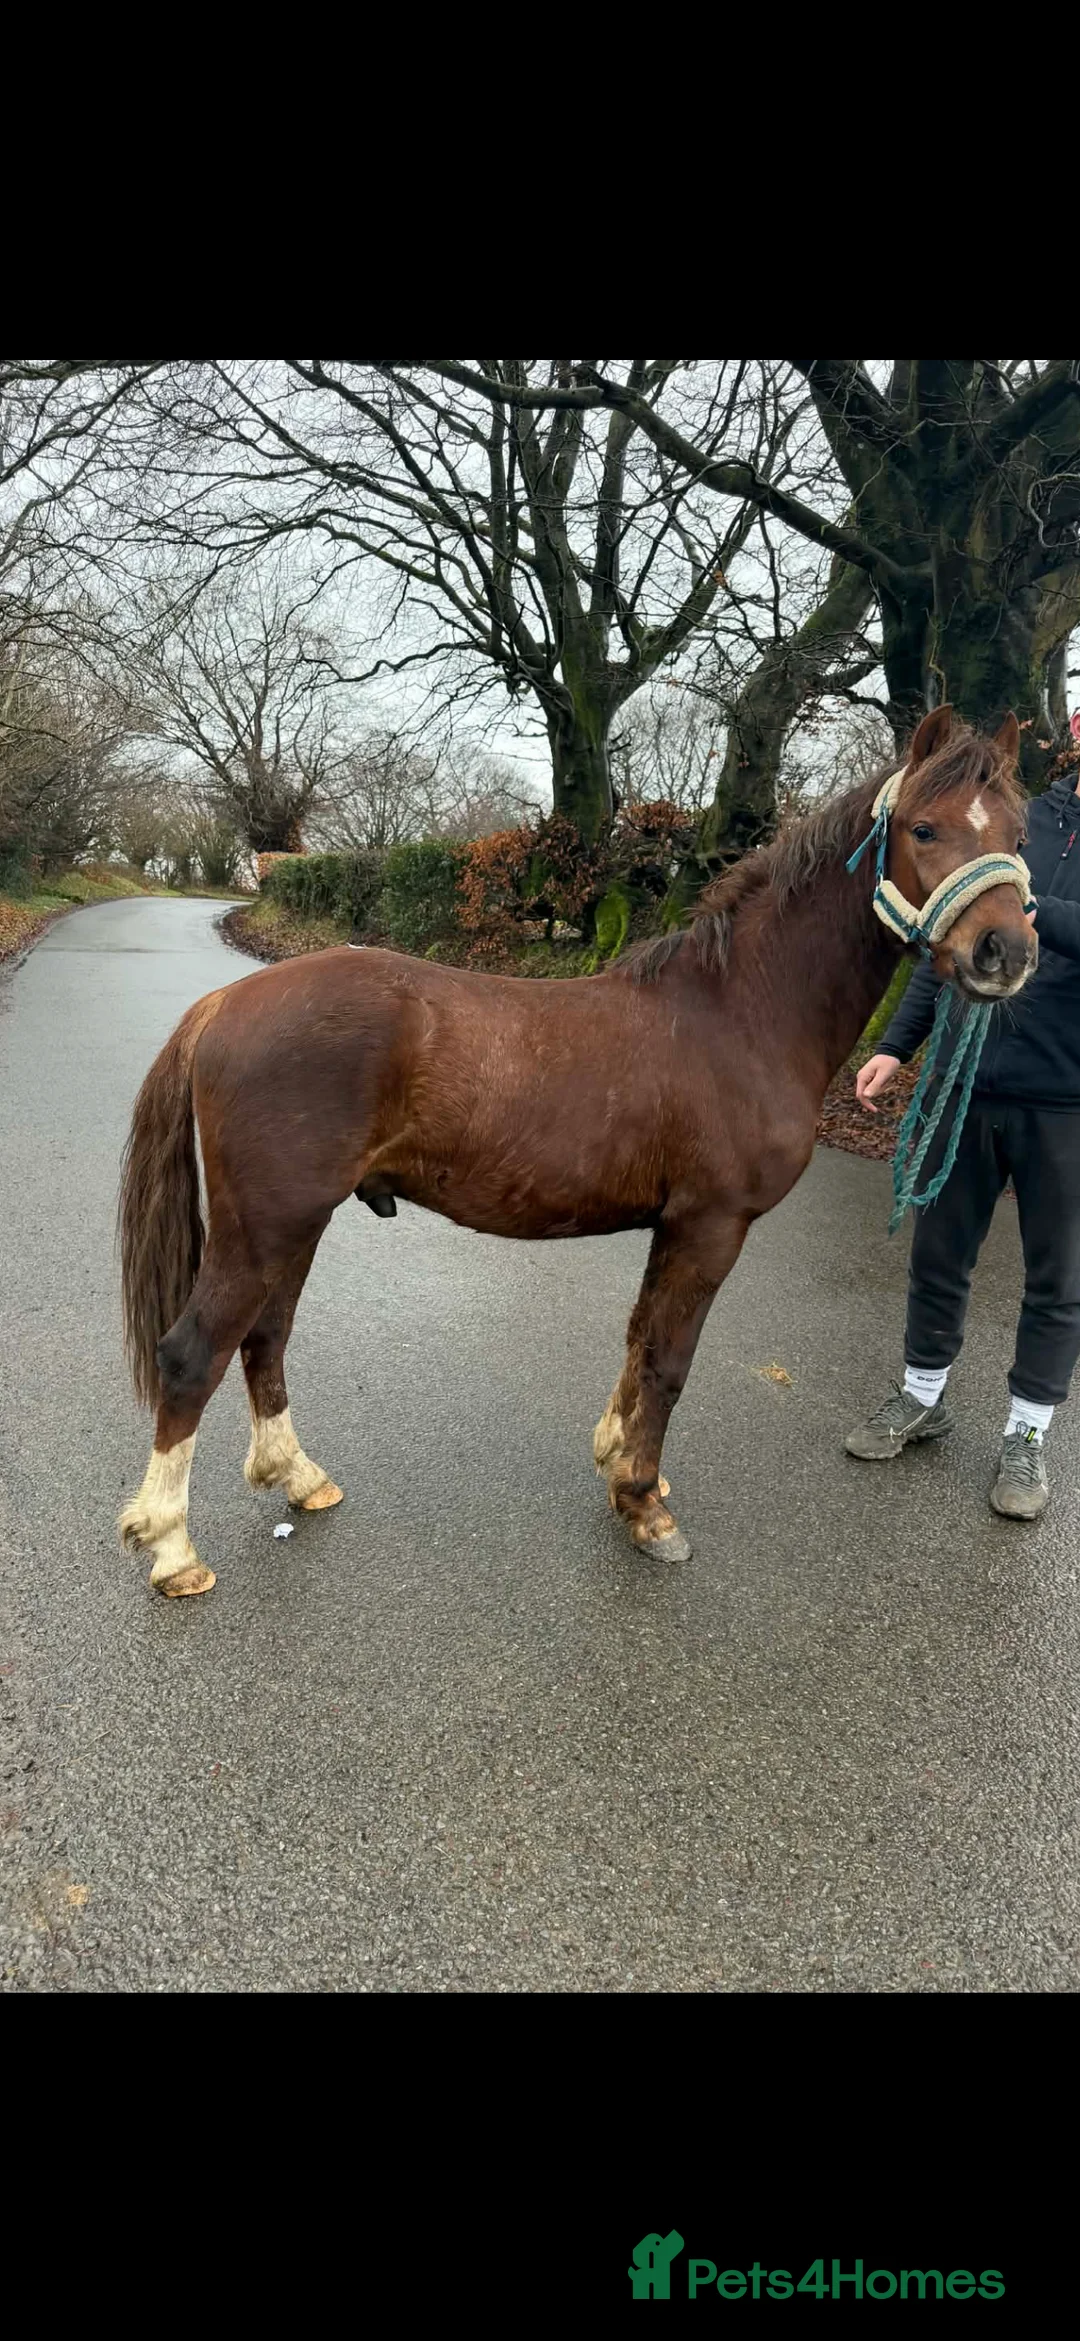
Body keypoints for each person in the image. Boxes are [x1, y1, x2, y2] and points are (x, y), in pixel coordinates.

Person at [845, 731, 1080, 1519]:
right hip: (964, 1079)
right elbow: (941, 947)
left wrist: (1040, 913)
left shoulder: (1018, 855)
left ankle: (1026, 1436)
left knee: (1058, 1278)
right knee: (939, 1253)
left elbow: (1027, 924)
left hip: (1065, 1099)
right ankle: (921, 1397)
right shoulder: (1013, 817)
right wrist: (894, 1047)